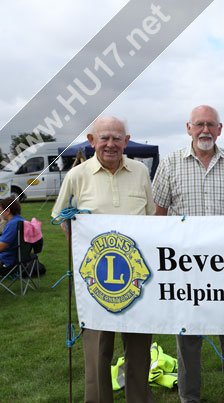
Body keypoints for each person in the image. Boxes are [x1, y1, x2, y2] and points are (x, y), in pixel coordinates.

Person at [152, 105, 224, 403]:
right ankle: (189, 398)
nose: (205, 130)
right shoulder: (169, 163)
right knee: (187, 339)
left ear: (219, 129)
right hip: (184, 268)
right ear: (188, 128)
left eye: (210, 124)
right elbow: (158, 216)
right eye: (199, 125)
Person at [52, 116, 155, 403]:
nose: (111, 144)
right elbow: (61, 218)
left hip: (137, 278)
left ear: (126, 140)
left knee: (138, 349)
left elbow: (150, 217)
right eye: (105, 138)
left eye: (117, 138)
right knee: (98, 351)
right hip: (94, 280)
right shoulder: (77, 175)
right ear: (91, 141)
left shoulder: (140, 172)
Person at [0, 197, 25, 274]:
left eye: (0, 210)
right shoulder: (20, 220)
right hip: (16, 259)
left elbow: (1, 246)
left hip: (6, 262)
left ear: (7, 211)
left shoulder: (12, 224)